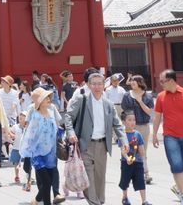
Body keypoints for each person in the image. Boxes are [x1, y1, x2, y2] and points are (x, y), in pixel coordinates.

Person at [64, 71, 127, 205]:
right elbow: (68, 116)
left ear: (104, 85)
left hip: (102, 145)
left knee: (100, 177)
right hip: (85, 144)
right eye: (94, 84)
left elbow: (117, 124)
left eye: (100, 84)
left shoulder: (108, 104)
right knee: (89, 178)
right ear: (89, 85)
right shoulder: (82, 100)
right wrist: (70, 132)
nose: (97, 87)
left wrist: (124, 140)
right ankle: (94, 202)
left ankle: (100, 201)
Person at [150, 69, 183, 205]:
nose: (161, 84)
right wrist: (154, 134)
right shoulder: (161, 96)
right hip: (169, 136)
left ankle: (177, 186)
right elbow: (157, 117)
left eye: (163, 81)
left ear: (171, 80)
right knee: (176, 165)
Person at [21, 88, 59, 205]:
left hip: (50, 153)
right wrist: (27, 157)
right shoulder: (36, 117)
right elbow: (29, 138)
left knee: (49, 181)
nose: (49, 99)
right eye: (45, 97)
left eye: (49, 97)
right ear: (39, 101)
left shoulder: (52, 112)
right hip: (37, 154)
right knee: (46, 182)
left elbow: (55, 132)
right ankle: (40, 201)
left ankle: (36, 200)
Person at [120, 75, 156, 184]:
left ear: (140, 82)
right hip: (130, 127)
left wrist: (140, 102)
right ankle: (131, 173)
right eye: (131, 81)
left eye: (134, 81)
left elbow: (150, 112)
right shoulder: (127, 95)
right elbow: (124, 111)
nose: (131, 83)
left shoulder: (147, 96)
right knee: (130, 150)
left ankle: (145, 173)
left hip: (143, 126)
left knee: (142, 151)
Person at [119, 112, 150, 205]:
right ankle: (125, 197)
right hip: (126, 162)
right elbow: (122, 150)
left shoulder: (138, 134)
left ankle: (144, 200)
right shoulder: (122, 135)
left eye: (134, 120)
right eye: (129, 120)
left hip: (138, 163)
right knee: (125, 181)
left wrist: (141, 153)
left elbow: (142, 150)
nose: (132, 122)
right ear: (124, 122)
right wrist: (127, 158)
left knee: (141, 181)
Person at [9, 110, 27, 186]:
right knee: (16, 164)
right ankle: (17, 176)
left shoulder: (27, 128)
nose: (21, 120)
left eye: (23, 118)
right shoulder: (15, 126)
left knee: (27, 163)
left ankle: (28, 176)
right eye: (20, 118)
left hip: (25, 149)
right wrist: (11, 135)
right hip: (16, 148)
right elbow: (10, 132)